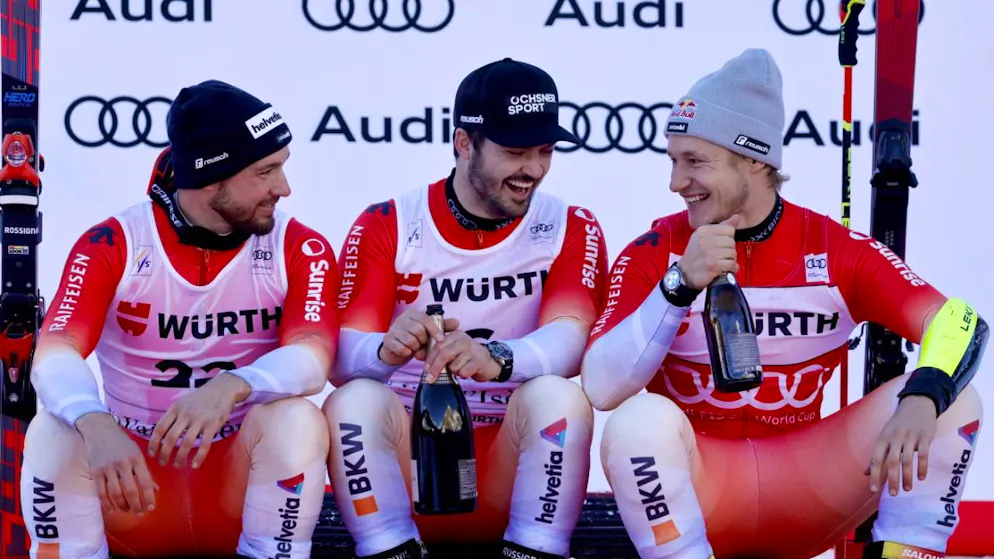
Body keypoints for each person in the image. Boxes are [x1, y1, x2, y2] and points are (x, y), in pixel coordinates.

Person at [581, 49, 986, 559]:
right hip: (702, 497)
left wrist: (924, 398)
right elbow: (601, 388)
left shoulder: (831, 247)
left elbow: (958, 319)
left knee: (954, 398)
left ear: (755, 159)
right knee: (636, 424)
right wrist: (679, 285)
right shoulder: (655, 251)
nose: (676, 182)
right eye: (673, 160)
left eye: (695, 161)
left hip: (811, 493)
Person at [21, 80, 339, 559]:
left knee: (297, 418)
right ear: (212, 178)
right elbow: (54, 352)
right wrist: (95, 421)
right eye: (266, 171)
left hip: (234, 490)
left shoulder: (299, 246)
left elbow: (313, 356)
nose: (284, 187)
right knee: (54, 428)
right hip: (134, 490)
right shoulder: (114, 243)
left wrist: (233, 385)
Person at [324, 58, 608, 559]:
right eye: (515, 152)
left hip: (511, 464)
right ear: (464, 143)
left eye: (545, 151)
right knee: (352, 402)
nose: (533, 170)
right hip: (415, 464)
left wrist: (497, 357)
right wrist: (385, 349)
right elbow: (340, 359)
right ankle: (388, 548)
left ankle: (536, 549)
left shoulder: (570, 224)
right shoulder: (389, 222)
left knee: (558, 397)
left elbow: (571, 340)